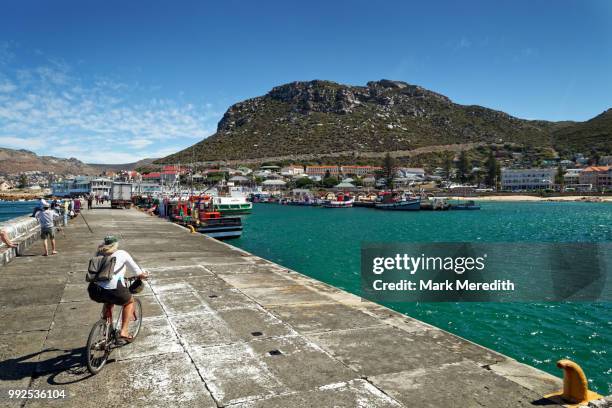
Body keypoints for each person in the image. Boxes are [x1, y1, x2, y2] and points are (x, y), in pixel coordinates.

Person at [87, 236, 149, 342]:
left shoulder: (98, 253)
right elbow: (137, 272)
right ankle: (124, 331)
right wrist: (144, 275)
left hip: (94, 289)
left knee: (108, 301)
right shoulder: (122, 253)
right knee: (129, 302)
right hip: (114, 288)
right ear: (116, 245)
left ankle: (106, 327)